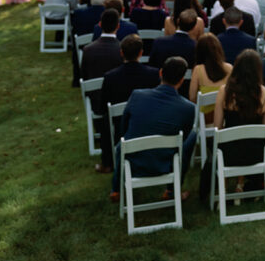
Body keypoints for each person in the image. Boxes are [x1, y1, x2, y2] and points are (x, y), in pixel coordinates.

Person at [110, 56, 197, 203]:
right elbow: (183, 138)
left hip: (132, 159)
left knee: (122, 143)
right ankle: (172, 190)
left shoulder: (137, 96)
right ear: (182, 81)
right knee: (192, 136)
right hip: (165, 164)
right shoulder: (188, 108)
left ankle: (116, 189)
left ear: (161, 73)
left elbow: (123, 128)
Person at [199, 50, 265, 200]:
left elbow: (218, 127)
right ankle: (240, 185)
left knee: (221, 142)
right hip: (255, 155)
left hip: (229, 154)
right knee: (244, 143)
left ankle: (225, 186)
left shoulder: (225, 92)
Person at [97, 33, 160, 173]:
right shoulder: (153, 74)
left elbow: (103, 107)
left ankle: (107, 162)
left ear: (121, 53)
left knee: (105, 119)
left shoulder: (110, 77)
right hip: (147, 124)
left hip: (121, 127)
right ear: (141, 53)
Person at [189, 33, 232, 116]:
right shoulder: (229, 68)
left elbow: (192, 97)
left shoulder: (198, 70)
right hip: (224, 118)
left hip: (204, 120)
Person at [149, 7, 198, 72]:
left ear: (178, 21)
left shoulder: (159, 42)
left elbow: (152, 64)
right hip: (186, 81)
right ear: (194, 27)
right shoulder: (196, 46)